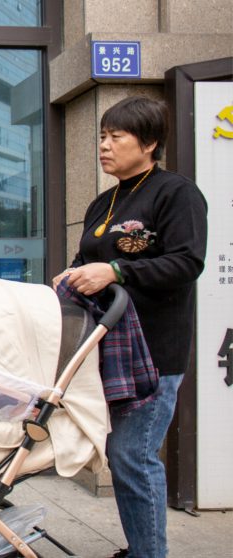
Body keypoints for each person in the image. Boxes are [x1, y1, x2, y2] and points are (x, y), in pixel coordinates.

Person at [51, 96, 207, 558]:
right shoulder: (106, 200)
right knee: (123, 459)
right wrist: (71, 272)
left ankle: (148, 553)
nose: (104, 145)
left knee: (133, 457)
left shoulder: (176, 192)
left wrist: (118, 272)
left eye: (116, 136)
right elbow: (88, 259)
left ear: (150, 142)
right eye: (102, 135)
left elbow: (186, 261)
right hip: (108, 349)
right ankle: (140, 547)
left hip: (154, 352)